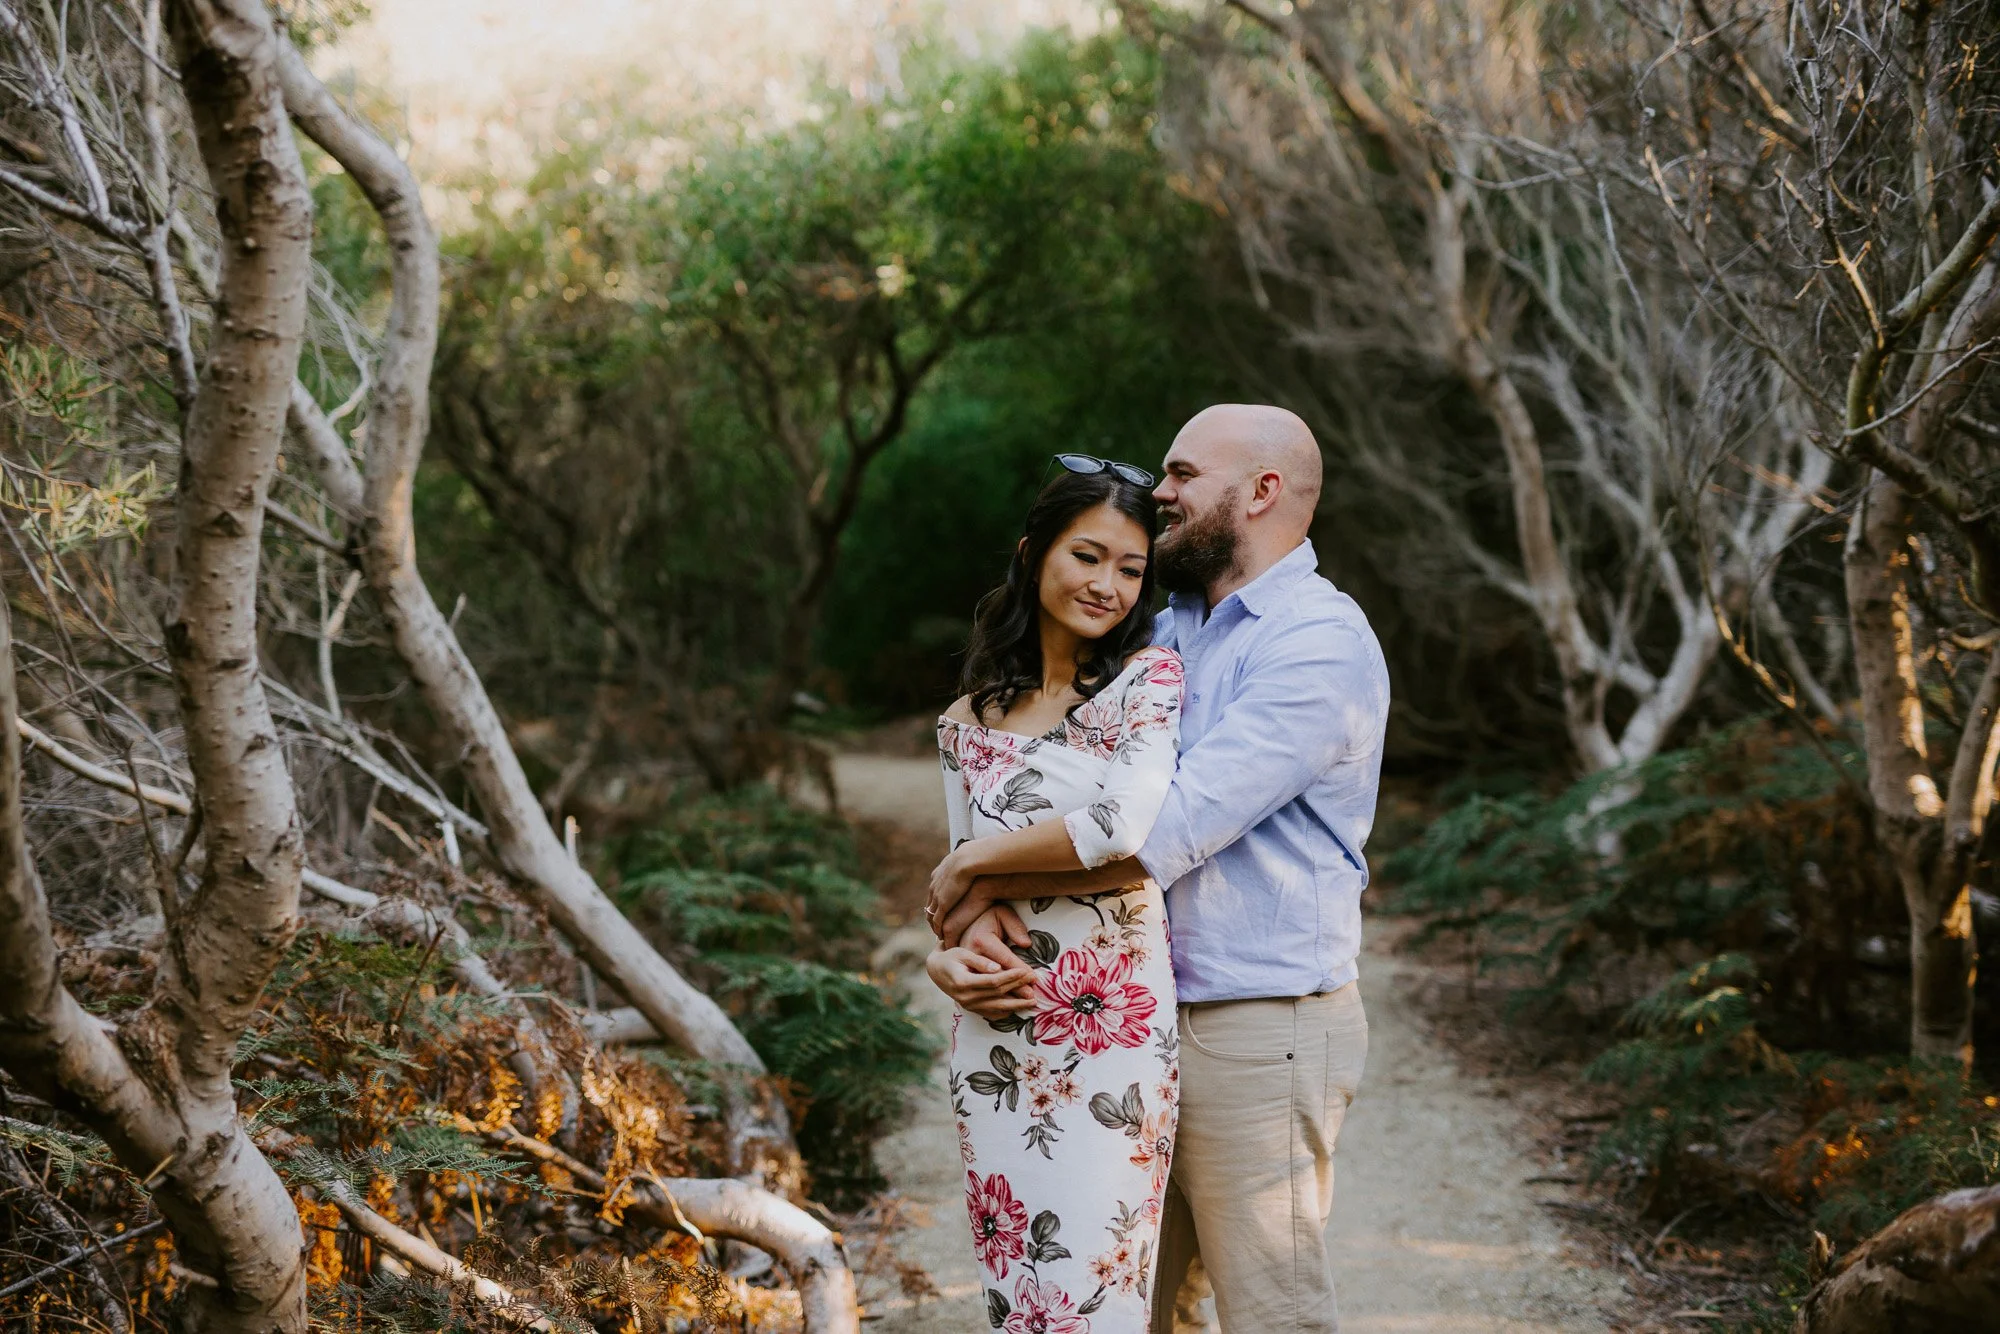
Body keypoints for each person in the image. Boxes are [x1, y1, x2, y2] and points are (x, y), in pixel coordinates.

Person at [929, 404, 1390, 1333]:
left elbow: (1152, 831)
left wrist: (970, 877)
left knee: (1272, 1307)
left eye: (1180, 474)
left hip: (1259, 1024)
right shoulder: (1170, 627)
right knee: (1135, 1305)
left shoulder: (1316, 642)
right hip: (1126, 1029)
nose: (1159, 492)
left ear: (1261, 491)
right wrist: (960, 930)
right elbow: (1029, 791)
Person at [925, 457, 1186, 1334]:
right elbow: (956, 901)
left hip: (1109, 1033)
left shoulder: (1146, 685)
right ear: (1034, 554)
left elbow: (1122, 826)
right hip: (996, 1039)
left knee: (1098, 1295)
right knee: (1020, 1294)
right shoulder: (967, 720)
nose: (1108, 584)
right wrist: (944, 962)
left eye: (1131, 569)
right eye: (1088, 555)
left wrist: (972, 867)